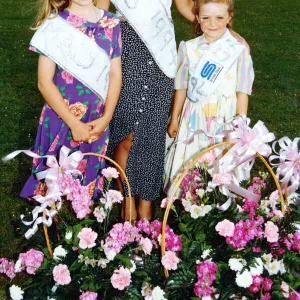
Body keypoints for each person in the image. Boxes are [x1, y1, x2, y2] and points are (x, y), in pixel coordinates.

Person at [95, 0, 197, 221]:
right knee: (125, 132)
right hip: (126, 49)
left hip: (162, 54)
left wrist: (226, 33)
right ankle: (127, 201)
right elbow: (100, 10)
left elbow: (186, 6)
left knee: (152, 134)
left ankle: (146, 206)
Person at [20, 0, 122, 200]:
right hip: (62, 119)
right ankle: (56, 227)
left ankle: (80, 226)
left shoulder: (112, 23)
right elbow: (44, 82)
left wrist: (107, 117)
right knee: (55, 184)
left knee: (87, 184)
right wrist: (74, 124)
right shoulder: (55, 25)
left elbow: (115, 75)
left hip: (96, 120)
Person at [164, 0, 254, 193]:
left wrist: (240, 122)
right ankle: (189, 202)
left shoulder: (238, 50)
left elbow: (243, 90)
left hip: (226, 118)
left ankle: (220, 204)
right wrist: (175, 118)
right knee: (192, 163)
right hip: (194, 119)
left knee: (222, 164)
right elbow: (181, 86)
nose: (213, 24)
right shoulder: (188, 48)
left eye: (220, 18)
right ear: (197, 18)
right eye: (206, 18)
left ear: (229, 17)